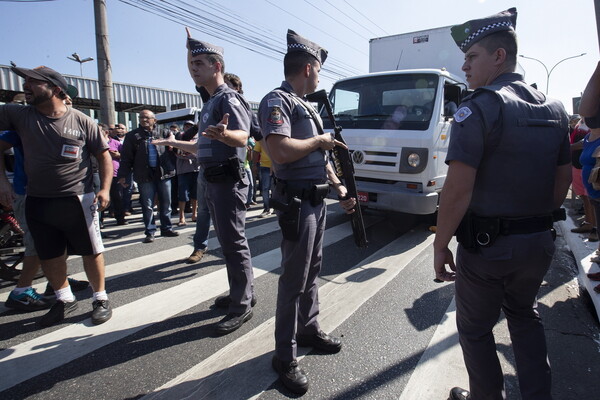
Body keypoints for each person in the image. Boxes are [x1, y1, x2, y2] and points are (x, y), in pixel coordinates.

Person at [433, 8, 572, 400]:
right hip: (537, 244)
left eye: (472, 56)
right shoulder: (557, 110)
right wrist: (533, 220)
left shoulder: (478, 108)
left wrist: (440, 244)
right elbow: (562, 181)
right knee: (525, 317)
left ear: (499, 56)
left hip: (488, 249)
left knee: (476, 330)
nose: (464, 66)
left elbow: (457, 191)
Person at [258, 29, 356, 394]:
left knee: (312, 272)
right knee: (293, 280)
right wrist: (320, 139)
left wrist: (340, 187)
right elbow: (281, 151)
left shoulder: (306, 106)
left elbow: (320, 156)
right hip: (297, 203)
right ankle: (284, 355)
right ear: (310, 68)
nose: (319, 76)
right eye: (319, 70)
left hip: (316, 200)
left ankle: (308, 329)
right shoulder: (275, 101)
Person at [153, 29, 256, 334]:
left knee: (234, 243)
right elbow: (200, 147)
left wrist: (226, 134)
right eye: (191, 63)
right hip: (211, 180)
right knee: (227, 243)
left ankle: (242, 304)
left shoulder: (229, 98)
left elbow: (243, 135)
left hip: (228, 180)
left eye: (199, 63)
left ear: (217, 66)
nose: (193, 68)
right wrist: (172, 144)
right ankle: (241, 290)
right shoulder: (210, 103)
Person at [0, 66, 115, 327]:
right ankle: (64, 299)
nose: (25, 86)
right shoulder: (19, 115)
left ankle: (100, 298)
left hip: (78, 199)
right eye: (25, 81)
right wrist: (2, 183)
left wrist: (105, 189)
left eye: (33, 82)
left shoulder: (81, 120)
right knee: (49, 254)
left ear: (55, 88)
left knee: (91, 251)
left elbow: (103, 156)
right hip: (37, 200)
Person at [1, 90, 89, 312]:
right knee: (39, 244)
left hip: (58, 194)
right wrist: (2, 183)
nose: (70, 101)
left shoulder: (65, 120)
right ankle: (21, 291)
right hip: (28, 192)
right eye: (67, 97)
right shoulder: (26, 120)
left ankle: (56, 282)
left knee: (57, 241)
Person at [117, 109, 179, 243]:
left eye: (147, 118)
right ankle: (150, 231)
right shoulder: (132, 136)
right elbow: (126, 158)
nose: (143, 120)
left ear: (154, 120)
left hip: (163, 173)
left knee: (166, 203)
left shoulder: (164, 132)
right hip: (144, 174)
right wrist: (123, 175)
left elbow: (175, 149)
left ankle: (166, 228)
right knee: (147, 204)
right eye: (141, 118)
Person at [174, 122, 199, 226]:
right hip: (183, 170)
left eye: (191, 126)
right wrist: (192, 154)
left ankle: (194, 214)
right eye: (187, 126)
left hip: (196, 169)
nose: (188, 128)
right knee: (183, 194)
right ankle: (181, 217)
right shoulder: (179, 136)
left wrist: (192, 154)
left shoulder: (198, 137)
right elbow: (178, 152)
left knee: (195, 194)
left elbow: (200, 151)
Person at [252, 139, 273, 218]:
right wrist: (254, 165)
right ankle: (266, 209)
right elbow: (256, 151)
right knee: (265, 189)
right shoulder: (260, 138)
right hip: (265, 166)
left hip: (277, 165)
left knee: (276, 189)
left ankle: (276, 208)